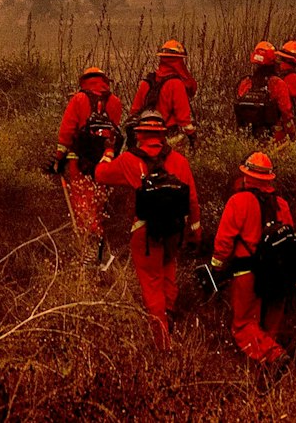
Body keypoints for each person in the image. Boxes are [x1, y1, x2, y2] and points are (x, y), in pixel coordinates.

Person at [95, 111, 200, 349]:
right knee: (168, 274)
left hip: (145, 232)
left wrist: (108, 152)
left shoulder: (130, 160)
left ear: (139, 134)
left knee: (151, 285)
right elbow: (192, 200)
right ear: (163, 135)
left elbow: (101, 175)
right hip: (174, 231)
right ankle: (169, 312)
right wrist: (196, 232)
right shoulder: (180, 162)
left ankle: (162, 343)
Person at [210, 151, 296, 370]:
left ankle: (274, 356)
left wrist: (216, 267)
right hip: (279, 274)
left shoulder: (238, 201)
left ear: (247, 176)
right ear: (269, 179)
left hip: (247, 273)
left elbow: (224, 240)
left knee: (243, 326)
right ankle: (266, 376)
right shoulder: (282, 205)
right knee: (270, 328)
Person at [55, 66, 123, 248]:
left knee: (81, 199)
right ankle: (99, 238)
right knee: (99, 199)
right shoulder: (115, 101)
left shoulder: (78, 99)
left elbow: (67, 131)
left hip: (79, 160)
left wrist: (58, 157)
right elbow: (113, 132)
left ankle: (88, 242)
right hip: (104, 161)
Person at [132, 39, 196, 145]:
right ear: (179, 61)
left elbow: (134, 111)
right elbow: (183, 117)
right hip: (169, 134)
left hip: (145, 135)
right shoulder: (176, 84)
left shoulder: (146, 82)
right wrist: (192, 135)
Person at [234, 41, 295, 140]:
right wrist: (293, 135)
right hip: (274, 138)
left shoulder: (245, 83)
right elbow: (286, 113)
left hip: (248, 138)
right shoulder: (277, 83)